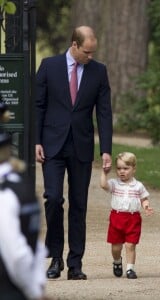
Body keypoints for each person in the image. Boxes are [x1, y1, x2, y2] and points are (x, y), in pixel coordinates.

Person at [35, 25, 113, 280]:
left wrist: (106, 150)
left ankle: (75, 264)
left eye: (93, 53)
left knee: (79, 205)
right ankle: (55, 257)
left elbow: (103, 112)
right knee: (54, 198)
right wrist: (36, 141)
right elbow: (38, 105)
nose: (90, 57)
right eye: (87, 52)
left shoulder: (98, 71)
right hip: (52, 144)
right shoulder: (49, 65)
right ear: (74, 45)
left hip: (81, 145)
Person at [0, 100, 48, 300]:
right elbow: (33, 248)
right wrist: (36, 288)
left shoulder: (7, 192)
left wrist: (32, 291)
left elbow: (18, 254)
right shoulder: (22, 186)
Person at [100, 152, 154, 279]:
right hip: (117, 218)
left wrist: (146, 206)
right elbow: (103, 185)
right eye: (119, 168)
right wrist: (104, 173)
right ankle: (117, 261)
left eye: (125, 168)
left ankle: (130, 269)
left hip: (133, 218)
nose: (122, 171)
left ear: (133, 169)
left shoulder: (138, 186)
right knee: (116, 247)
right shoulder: (114, 183)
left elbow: (144, 198)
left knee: (130, 245)